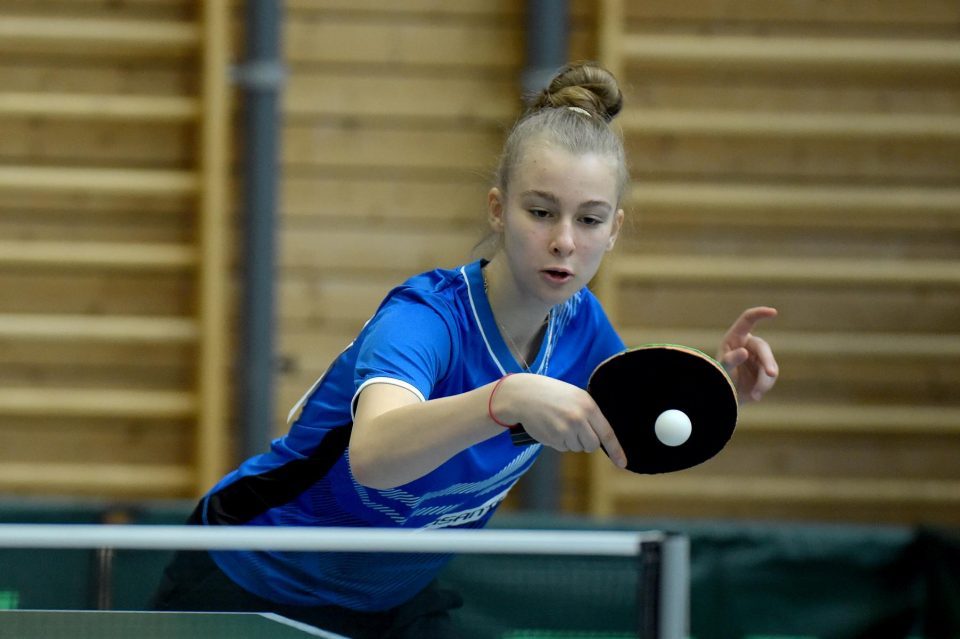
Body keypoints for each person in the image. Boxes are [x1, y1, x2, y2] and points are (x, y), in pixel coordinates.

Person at [152, 61, 779, 638]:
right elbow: (373, 456)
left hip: (385, 599)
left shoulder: (580, 327)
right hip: (250, 579)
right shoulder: (425, 320)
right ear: (499, 210)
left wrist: (717, 386)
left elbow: (634, 429)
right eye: (541, 212)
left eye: (588, 220)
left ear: (613, 230)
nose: (564, 241)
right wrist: (504, 400)